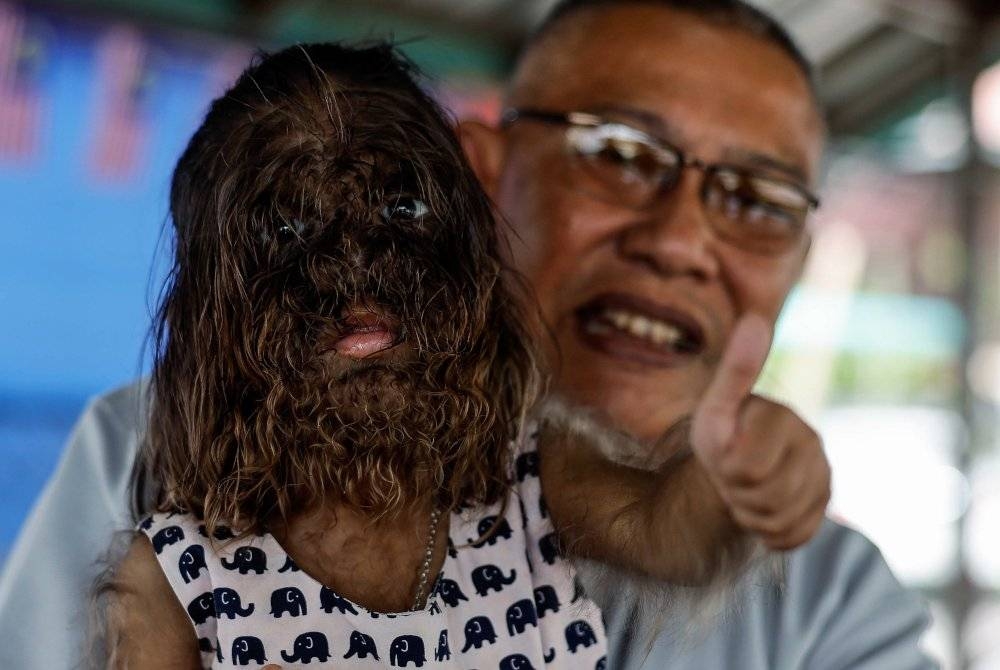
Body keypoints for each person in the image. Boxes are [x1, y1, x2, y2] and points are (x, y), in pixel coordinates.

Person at [0, 1, 935, 668]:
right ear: (483, 182)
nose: (682, 241)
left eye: (757, 198)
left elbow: (666, 522)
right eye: (617, 153)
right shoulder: (146, 466)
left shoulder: (830, 605)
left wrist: (727, 486)